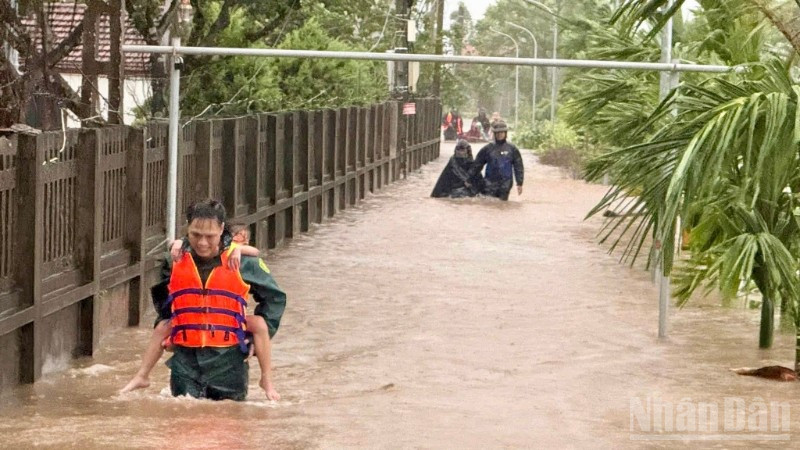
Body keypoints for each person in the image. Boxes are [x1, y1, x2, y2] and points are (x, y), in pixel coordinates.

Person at [123, 200, 286, 401]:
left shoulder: (243, 262)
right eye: (195, 235)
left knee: (229, 423)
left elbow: (275, 299)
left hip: (229, 364)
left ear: (222, 229)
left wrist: (256, 337)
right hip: (185, 364)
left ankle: (266, 381)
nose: (202, 243)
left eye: (210, 236)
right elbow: (166, 306)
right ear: (187, 229)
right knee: (182, 422)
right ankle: (142, 377)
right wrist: (170, 334)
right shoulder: (173, 260)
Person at [469, 121, 524, 201]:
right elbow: (477, 164)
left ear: (505, 133)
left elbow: (518, 166)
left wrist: (519, 183)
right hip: (489, 183)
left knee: (502, 205)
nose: (499, 135)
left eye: (502, 132)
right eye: (497, 133)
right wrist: (469, 179)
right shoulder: (488, 148)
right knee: (489, 204)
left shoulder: (512, 149)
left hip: (506, 183)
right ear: (494, 134)